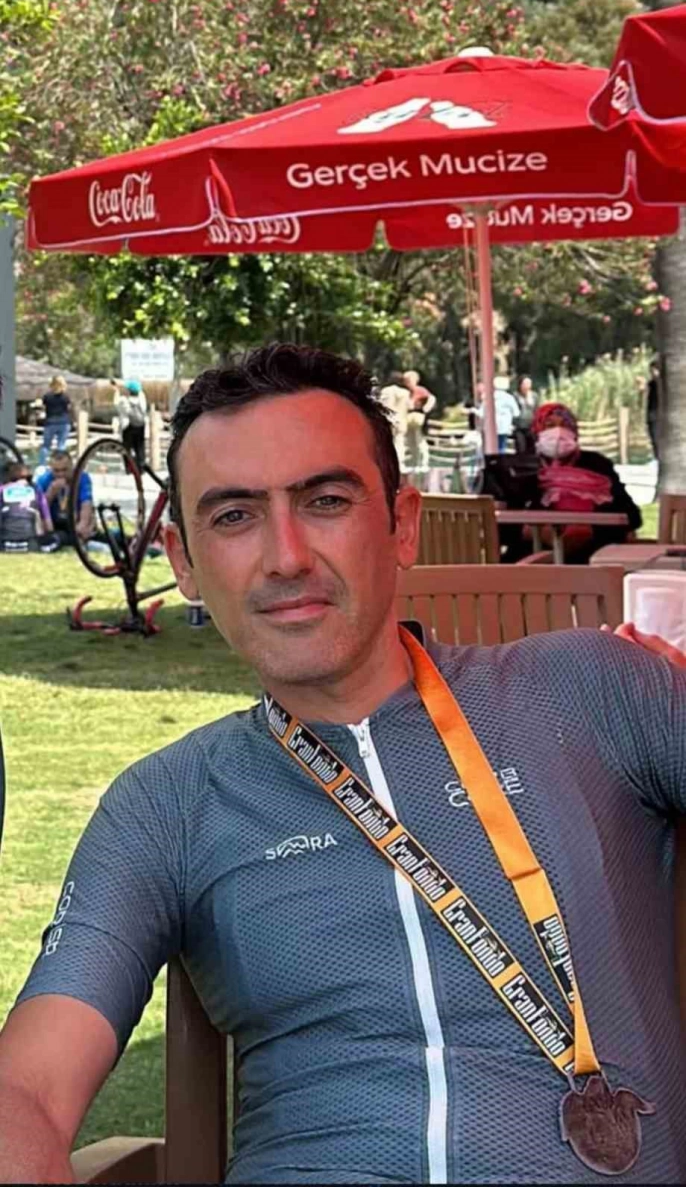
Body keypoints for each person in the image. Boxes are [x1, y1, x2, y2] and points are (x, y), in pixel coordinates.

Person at [0, 344, 685, 1186]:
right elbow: (27, 1088)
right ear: (183, 561)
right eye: (234, 515)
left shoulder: (593, 690)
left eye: (325, 500)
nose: (286, 556)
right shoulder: (166, 803)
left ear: (402, 522)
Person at [501, 401, 642, 564]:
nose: (558, 432)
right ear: (537, 431)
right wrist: (536, 532)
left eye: (564, 426)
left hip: (591, 556)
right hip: (531, 557)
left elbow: (632, 516)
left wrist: (589, 530)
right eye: (549, 426)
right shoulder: (521, 468)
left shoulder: (597, 465)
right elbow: (502, 526)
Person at [35, 450, 94, 548]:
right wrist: (51, 492)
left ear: (71, 466)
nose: (61, 474)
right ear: (50, 468)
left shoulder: (82, 477)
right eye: (56, 471)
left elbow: (86, 503)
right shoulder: (43, 480)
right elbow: (38, 509)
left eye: (65, 470)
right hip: (53, 524)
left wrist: (82, 524)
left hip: (74, 522)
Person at [0, 460, 56, 553]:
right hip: (31, 544)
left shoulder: (2, 490)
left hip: (4, 545)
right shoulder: (36, 490)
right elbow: (49, 527)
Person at [403, 369, 437, 472]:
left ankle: (423, 463)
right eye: (406, 381)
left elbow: (431, 399)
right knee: (410, 441)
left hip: (418, 416)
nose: (407, 383)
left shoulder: (420, 390)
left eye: (408, 380)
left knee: (419, 439)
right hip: (408, 417)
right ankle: (415, 463)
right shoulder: (405, 392)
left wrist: (425, 409)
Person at [378, 371, 412, 471]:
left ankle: (387, 464)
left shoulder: (386, 391)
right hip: (401, 420)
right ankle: (400, 464)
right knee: (399, 442)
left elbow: (381, 405)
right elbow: (410, 406)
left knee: (387, 443)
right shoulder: (405, 393)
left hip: (389, 419)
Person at [39, 375, 72, 464]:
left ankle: (42, 464)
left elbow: (43, 408)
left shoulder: (47, 396)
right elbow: (68, 409)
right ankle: (61, 464)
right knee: (61, 445)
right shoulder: (66, 396)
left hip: (50, 422)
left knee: (46, 446)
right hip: (63, 422)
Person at [117, 378, 148, 469]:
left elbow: (120, 409)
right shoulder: (142, 400)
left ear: (129, 391)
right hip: (140, 425)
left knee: (126, 448)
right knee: (140, 448)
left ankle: (129, 468)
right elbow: (144, 409)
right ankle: (141, 468)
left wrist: (117, 391)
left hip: (128, 426)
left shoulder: (124, 400)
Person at [513, 374, 538, 454]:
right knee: (521, 449)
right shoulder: (516, 396)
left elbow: (536, 409)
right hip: (519, 427)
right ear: (520, 385)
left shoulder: (534, 396)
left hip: (531, 427)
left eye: (529, 384)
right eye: (525, 384)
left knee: (532, 449)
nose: (527, 386)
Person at [644, 359, 661, 462]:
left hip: (659, 414)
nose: (653, 373)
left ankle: (659, 457)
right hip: (651, 413)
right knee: (653, 437)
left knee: (658, 437)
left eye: (654, 370)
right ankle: (656, 457)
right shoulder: (651, 383)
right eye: (651, 371)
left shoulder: (663, 384)